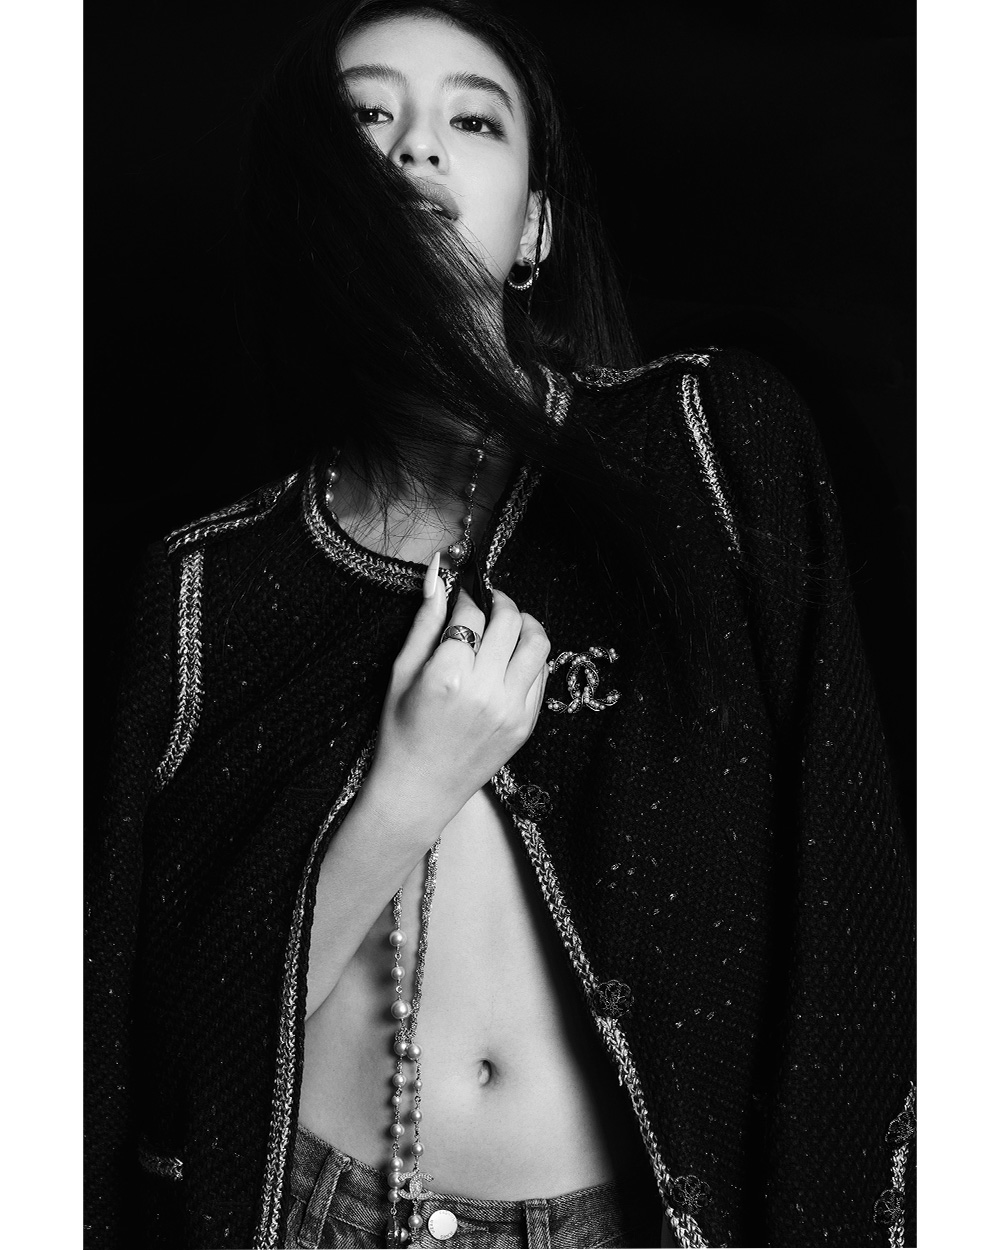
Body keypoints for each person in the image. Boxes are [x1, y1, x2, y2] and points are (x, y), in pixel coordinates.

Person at [84, 2, 916, 1247]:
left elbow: (848, 917)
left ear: (534, 227)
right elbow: (153, 1071)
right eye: (367, 115)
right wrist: (405, 790)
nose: (418, 146)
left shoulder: (707, 449)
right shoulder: (204, 588)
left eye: (473, 121)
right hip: (317, 1216)